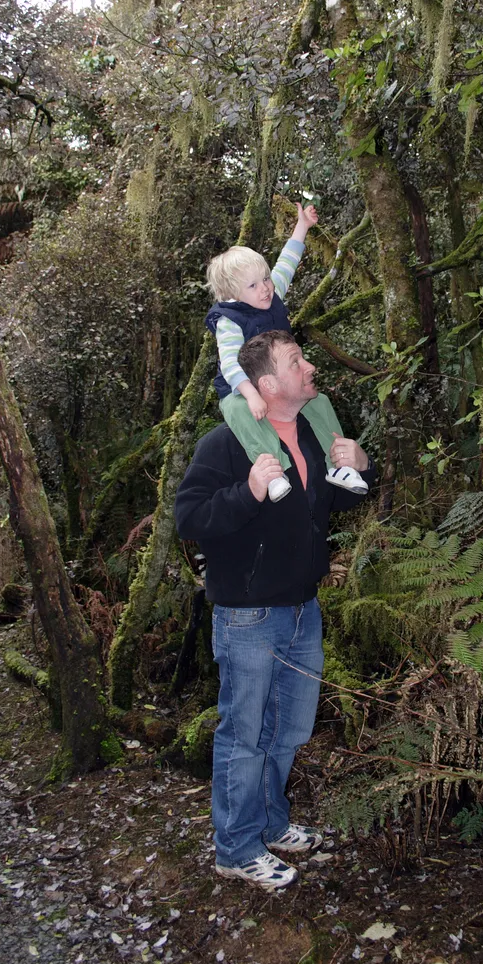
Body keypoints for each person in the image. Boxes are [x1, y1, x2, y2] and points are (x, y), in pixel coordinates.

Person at [175, 329, 375, 891]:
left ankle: (271, 823)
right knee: (244, 734)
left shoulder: (311, 433)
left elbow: (334, 500)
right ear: (268, 383)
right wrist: (249, 492)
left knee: (289, 729)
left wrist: (362, 465)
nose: (309, 367)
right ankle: (236, 848)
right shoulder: (225, 443)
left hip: (302, 609)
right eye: (297, 361)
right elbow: (188, 520)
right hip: (248, 616)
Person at [204, 202, 368, 502]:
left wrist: (302, 225)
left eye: (265, 279)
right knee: (240, 411)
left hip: (279, 379)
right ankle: (274, 470)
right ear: (232, 294)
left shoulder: (272, 293)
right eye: (253, 285)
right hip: (239, 387)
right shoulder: (229, 321)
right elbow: (228, 363)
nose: (265, 288)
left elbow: (287, 262)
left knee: (320, 402)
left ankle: (338, 466)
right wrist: (251, 394)